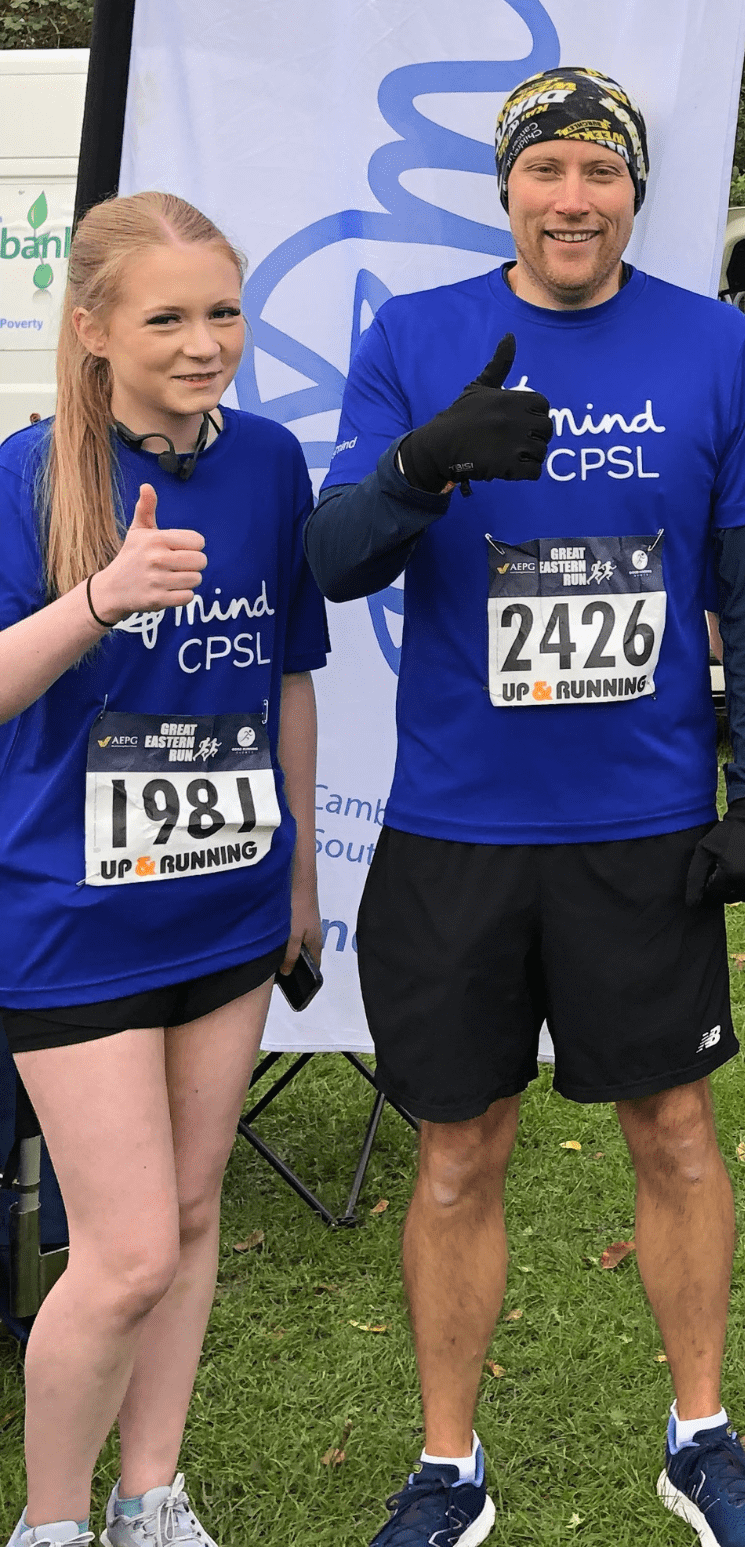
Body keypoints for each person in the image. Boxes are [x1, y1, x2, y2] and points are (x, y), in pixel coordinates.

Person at [304, 69, 745, 1547]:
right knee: (456, 1150)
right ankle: (448, 1469)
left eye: (601, 171)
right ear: (507, 187)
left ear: (635, 192)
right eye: (549, 170)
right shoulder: (417, 335)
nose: (574, 197)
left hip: (642, 825)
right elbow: (328, 560)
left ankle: (701, 1435)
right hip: (461, 825)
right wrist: (419, 465)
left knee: (675, 1130)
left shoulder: (711, 344)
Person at [0, 192, 328, 1547]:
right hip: (74, 918)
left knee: (190, 1217)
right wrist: (101, 599)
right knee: (123, 1248)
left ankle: (153, 1493)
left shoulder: (267, 463)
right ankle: (53, 1522)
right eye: (168, 318)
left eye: (224, 313)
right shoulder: (27, 473)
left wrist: (299, 879)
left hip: (229, 900)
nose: (205, 344)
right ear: (92, 330)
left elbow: (288, 677)